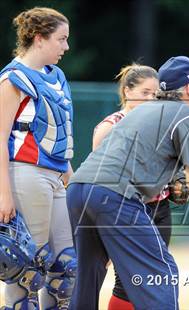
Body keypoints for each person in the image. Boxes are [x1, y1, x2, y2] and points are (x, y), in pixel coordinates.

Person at [66, 56, 189, 310]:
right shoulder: (187, 115)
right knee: (161, 273)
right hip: (114, 195)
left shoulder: (142, 110)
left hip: (78, 188)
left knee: (87, 276)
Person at [0, 7, 77, 309]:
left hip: (56, 177)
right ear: (39, 38)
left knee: (66, 269)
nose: (66, 47)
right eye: (61, 39)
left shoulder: (55, 76)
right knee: (26, 272)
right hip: (25, 174)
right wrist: (3, 194)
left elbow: (59, 130)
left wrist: (68, 170)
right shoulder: (13, 79)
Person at [92, 63, 173, 310]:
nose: (151, 98)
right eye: (145, 92)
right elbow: (100, 179)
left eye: (155, 93)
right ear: (127, 91)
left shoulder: (159, 124)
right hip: (125, 210)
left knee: (154, 278)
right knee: (126, 282)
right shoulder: (110, 126)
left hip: (160, 208)